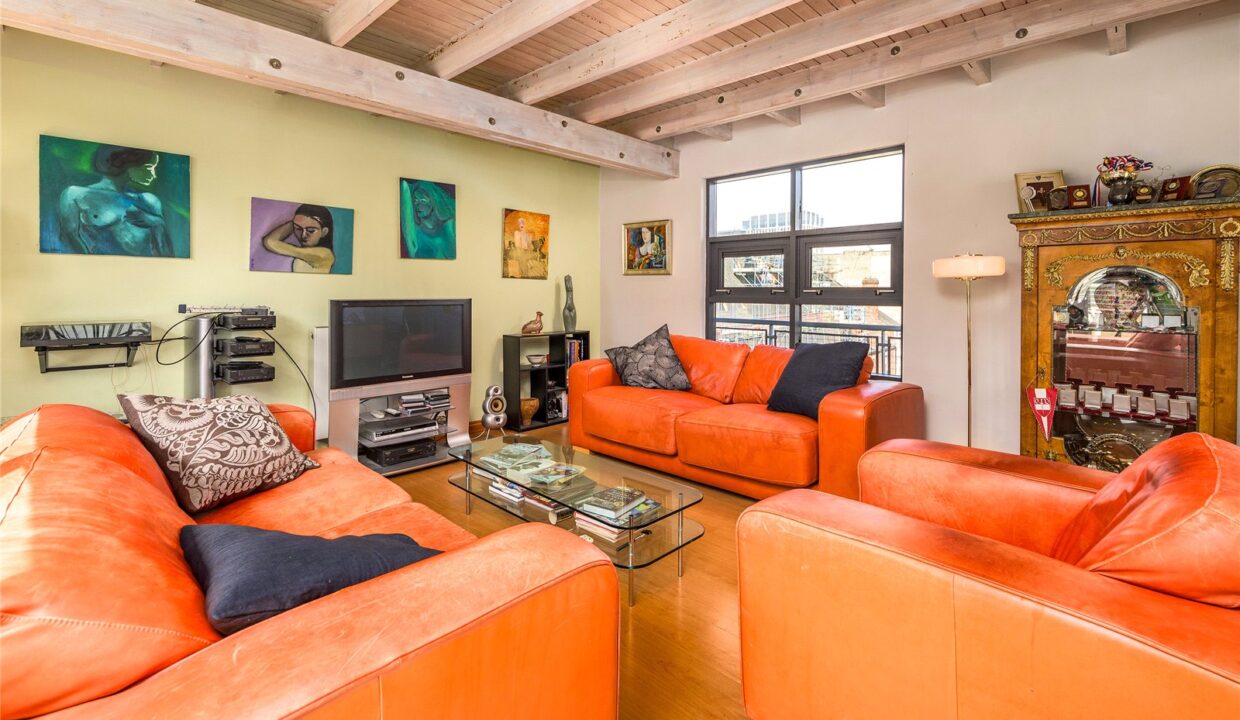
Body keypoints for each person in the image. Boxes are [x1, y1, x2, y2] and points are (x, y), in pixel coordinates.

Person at [56, 145, 172, 256]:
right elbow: (69, 238)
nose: (154, 174)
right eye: (149, 167)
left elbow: (165, 254)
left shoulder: (150, 201)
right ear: (128, 165)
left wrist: (158, 223)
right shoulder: (75, 195)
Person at [262, 204, 336, 273]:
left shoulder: (324, 255)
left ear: (324, 232)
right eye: (298, 228)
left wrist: (294, 224)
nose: (303, 235)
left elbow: (270, 241)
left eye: (311, 230)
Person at [400, 180, 455, 259]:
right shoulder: (415, 233)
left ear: (433, 202)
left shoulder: (449, 226)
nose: (417, 205)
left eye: (422, 201)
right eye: (415, 201)